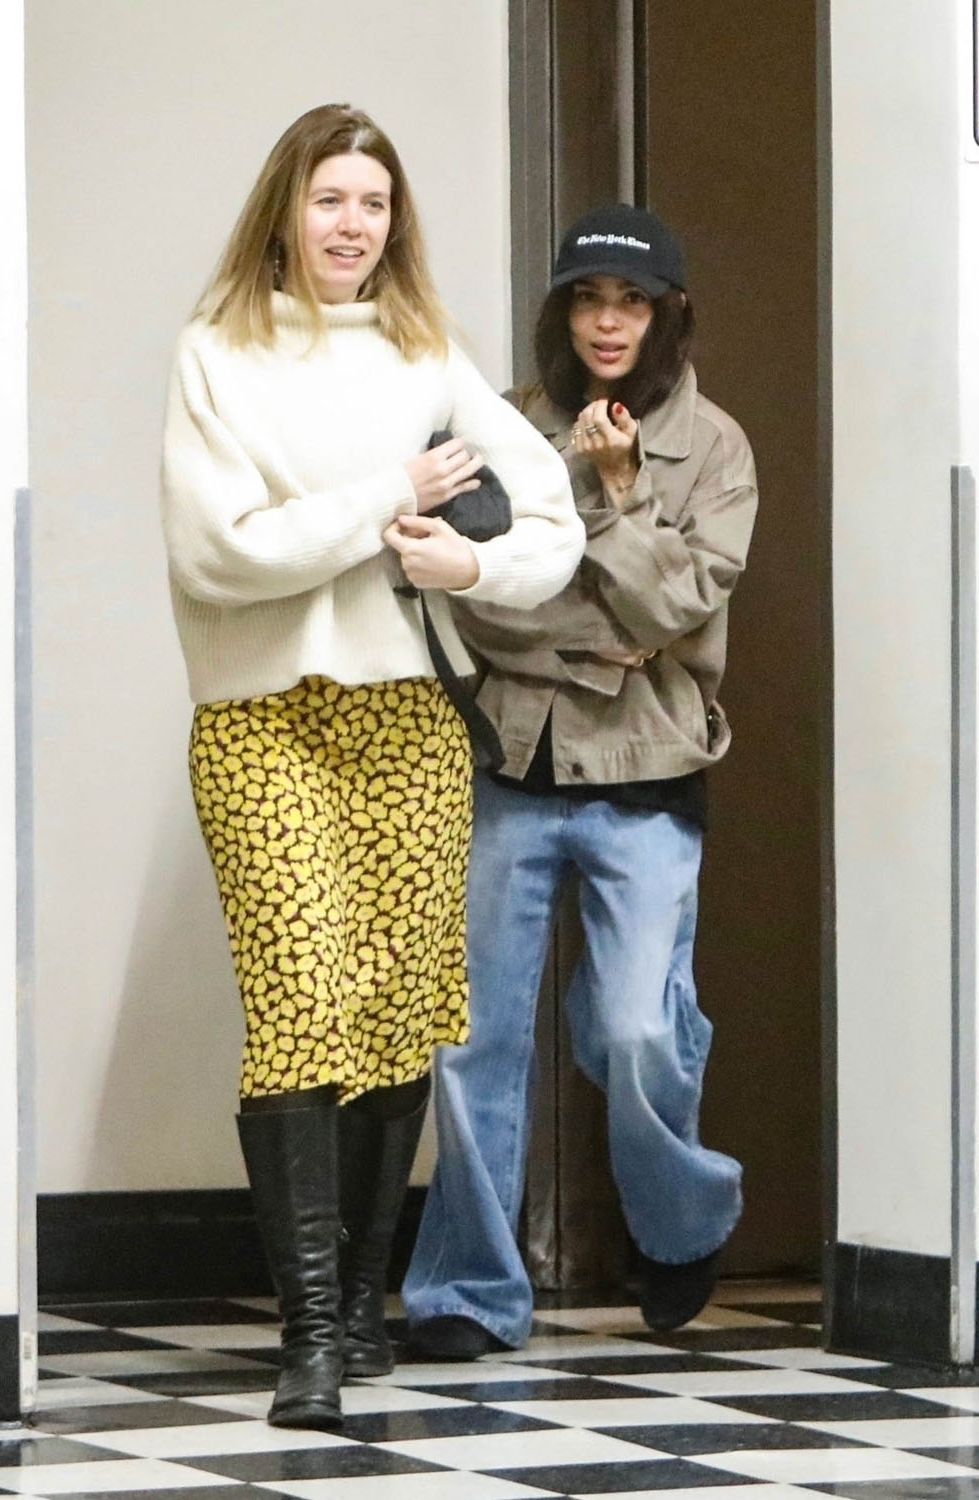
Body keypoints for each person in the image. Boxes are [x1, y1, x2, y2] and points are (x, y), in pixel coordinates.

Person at [159, 103, 583, 1430]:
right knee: (302, 1001)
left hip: (408, 720)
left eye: (375, 203)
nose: (353, 225)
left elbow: (554, 525)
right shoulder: (216, 352)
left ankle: (355, 1305)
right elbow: (223, 552)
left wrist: (469, 565)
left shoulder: (426, 353)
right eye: (331, 198)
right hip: (264, 719)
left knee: (396, 1010)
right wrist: (389, 495)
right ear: (284, 210)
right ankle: (307, 1336)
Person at [403, 202, 758, 1357]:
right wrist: (608, 637)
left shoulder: (716, 448)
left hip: (651, 772)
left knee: (632, 1030)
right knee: (472, 1041)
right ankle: (468, 1290)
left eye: (632, 301)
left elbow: (677, 606)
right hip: (511, 761)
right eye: (588, 299)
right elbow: (484, 606)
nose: (608, 322)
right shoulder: (506, 429)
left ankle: (679, 1219)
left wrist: (616, 498)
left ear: (668, 315)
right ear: (561, 312)